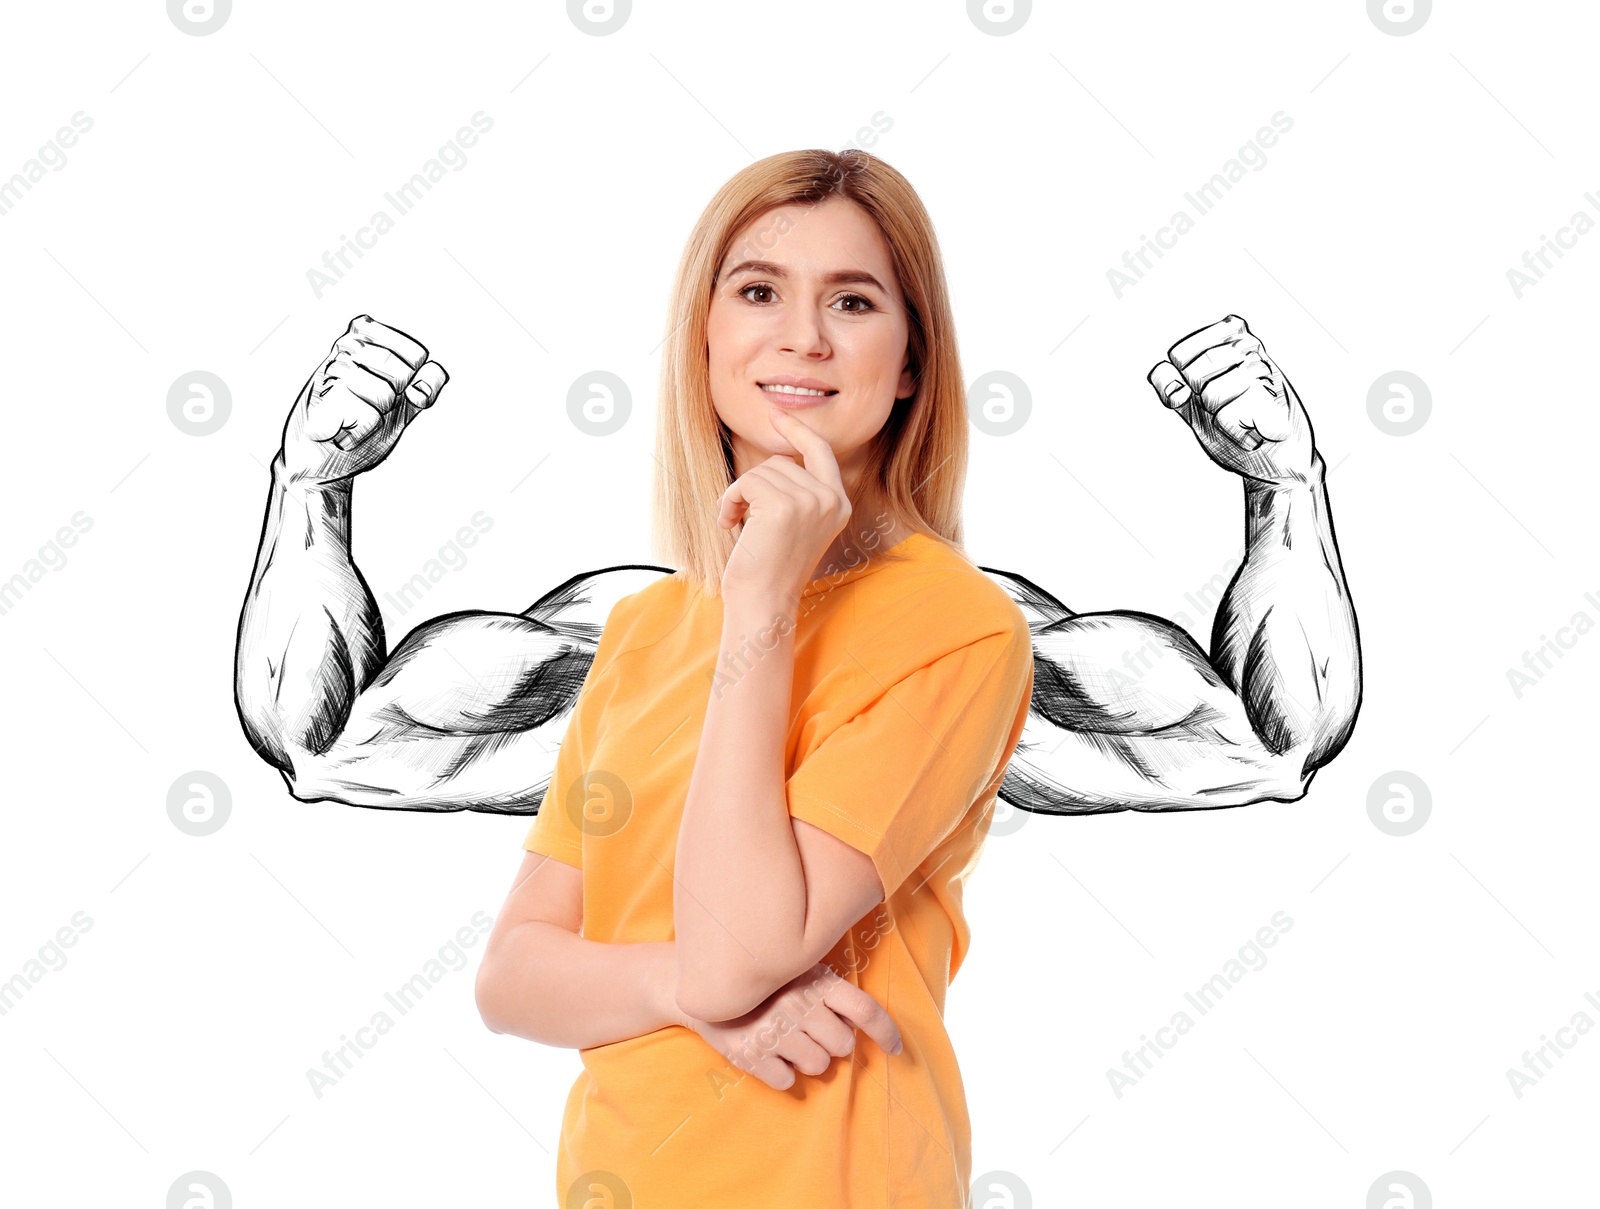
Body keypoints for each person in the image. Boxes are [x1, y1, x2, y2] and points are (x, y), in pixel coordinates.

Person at [233, 148, 1360, 1207]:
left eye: (854, 301)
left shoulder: (958, 628)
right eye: (759, 292)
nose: (804, 338)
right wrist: (306, 488)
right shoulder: (637, 627)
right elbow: (509, 970)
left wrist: (1288, 489)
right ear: (704, 335)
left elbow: (1274, 747)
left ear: (911, 360)